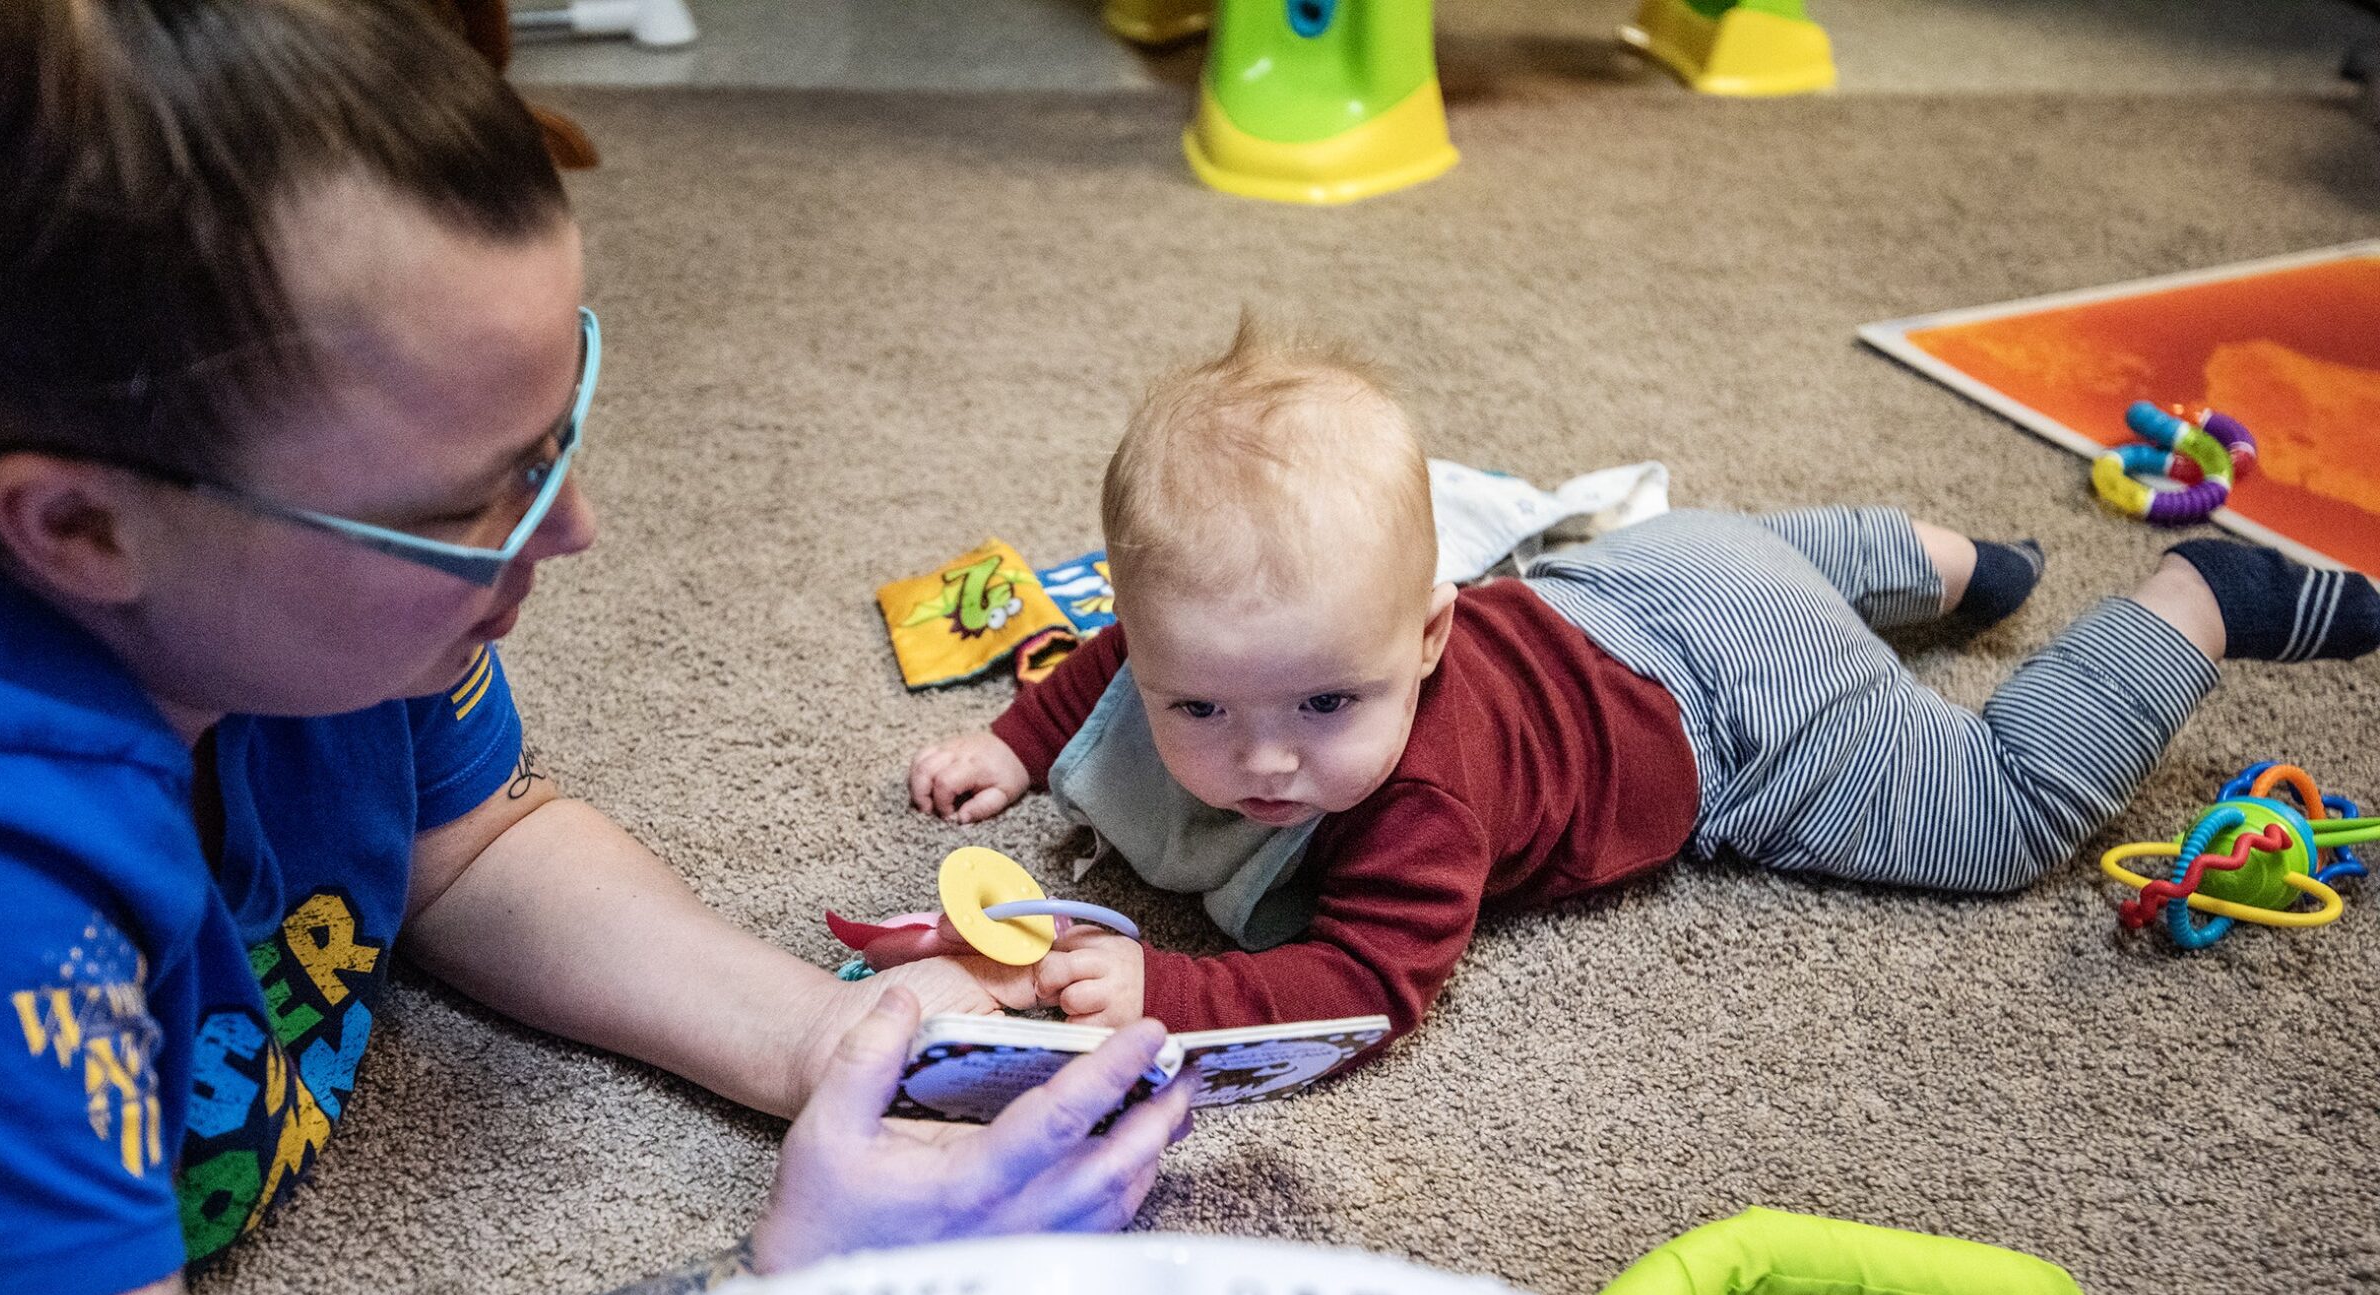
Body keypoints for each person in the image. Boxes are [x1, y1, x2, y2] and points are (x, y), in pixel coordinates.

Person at [0, 0, 1192, 1295]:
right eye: (474, 497)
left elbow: (466, 840)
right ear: (81, 526)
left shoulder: (339, 615)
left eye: (560, 434)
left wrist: (850, 1034)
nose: (579, 528)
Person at [910, 318, 2379, 1034]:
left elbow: (1369, 983)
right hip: (1653, 569)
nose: (1268, 761)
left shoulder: (1418, 799)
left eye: (1324, 706)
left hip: (1737, 716)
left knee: (1993, 819)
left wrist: (1173, 985)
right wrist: (1028, 737)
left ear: (1431, 634)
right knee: (1750, 554)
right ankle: (1946, 563)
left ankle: (2200, 596)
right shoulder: (1243, 645)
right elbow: (1120, 645)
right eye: (1201, 712)